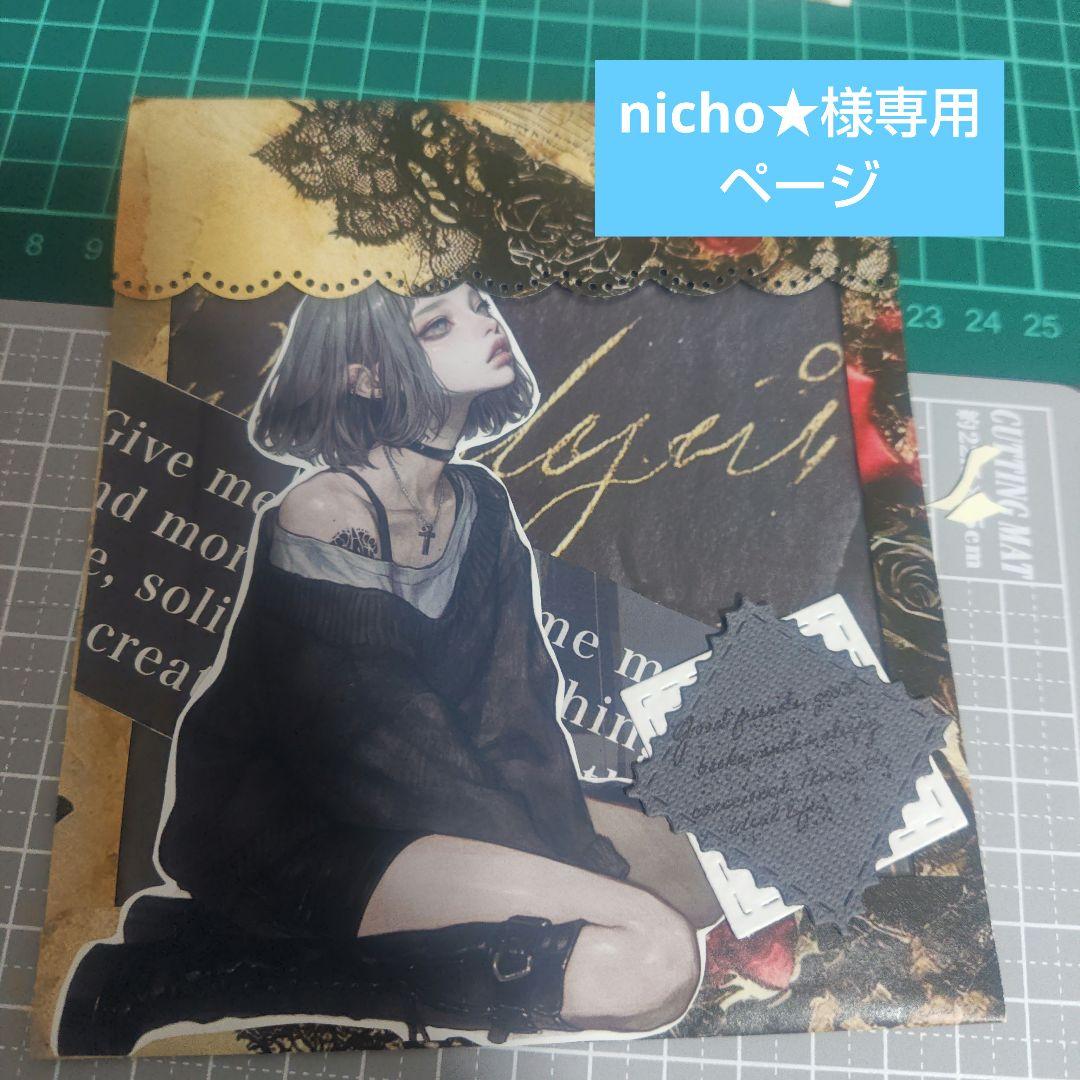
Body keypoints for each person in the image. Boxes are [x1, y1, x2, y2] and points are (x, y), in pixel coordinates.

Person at [57, 283, 719, 1055]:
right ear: (367, 376)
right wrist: (562, 868)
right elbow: (384, 754)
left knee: (699, 883)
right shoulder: (325, 515)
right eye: (438, 325)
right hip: (307, 832)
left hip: (442, 799)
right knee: (658, 960)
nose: (486, 325)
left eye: (478, 307)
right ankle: (201, 970)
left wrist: (571, 844)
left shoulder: (479, 503)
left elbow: (516, 711)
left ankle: (258, 955)